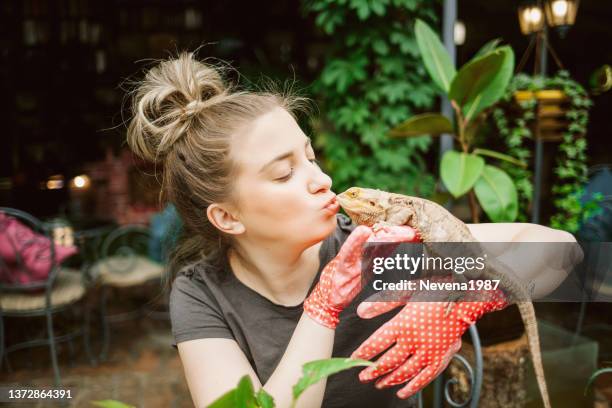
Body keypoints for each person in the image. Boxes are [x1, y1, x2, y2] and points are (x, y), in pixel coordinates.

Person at [125, 52, 579, 408]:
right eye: (284, 174)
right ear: (227, 218)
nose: (321, 179)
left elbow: (562, 252)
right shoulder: (201, 295)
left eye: (310, 155)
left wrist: (455, 302)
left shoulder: (377, 249)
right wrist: (322, 308)